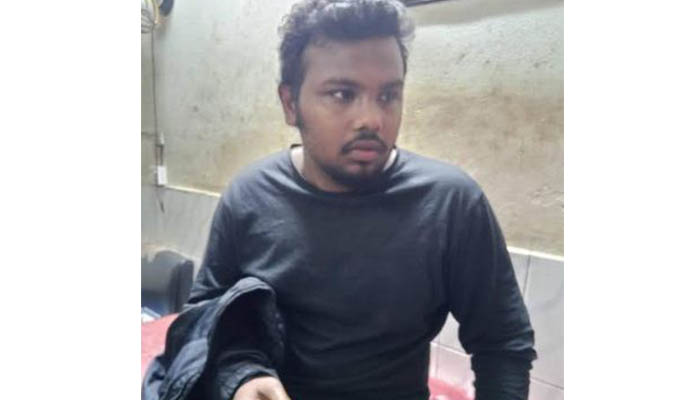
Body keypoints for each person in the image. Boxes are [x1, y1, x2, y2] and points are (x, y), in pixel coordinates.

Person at [188, 1, 537, 399]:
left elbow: (503, 344)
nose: (372, 119)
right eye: (342, 94)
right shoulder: (249, 196)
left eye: (388, 95)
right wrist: (241, 377)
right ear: (290, 104)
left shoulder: (451, 204)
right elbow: (203, 316)